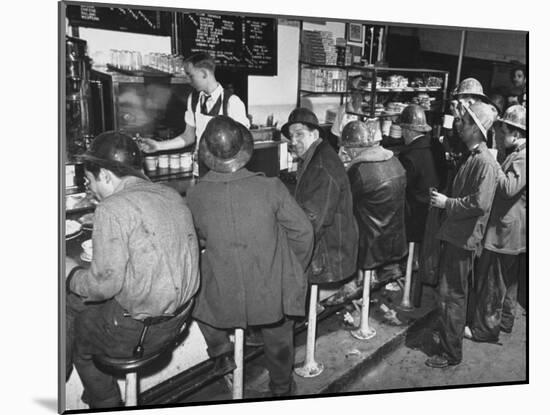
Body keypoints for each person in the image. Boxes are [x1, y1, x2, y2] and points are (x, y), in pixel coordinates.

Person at [65, 131, 200, 408]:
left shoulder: (112, 208)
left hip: (142, 332)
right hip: (180, 318)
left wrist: (70, 273)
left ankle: (102, 402)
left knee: (75, 324)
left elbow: (103, 287)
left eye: (90, 181)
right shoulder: (171, 194)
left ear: (104, 174)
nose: (91, 189)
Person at [186, 116, 314, 397]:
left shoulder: (195, 195)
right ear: (244, 148)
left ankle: (221, 351)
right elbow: (304, 233)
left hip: (223, 299)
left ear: (207, 152)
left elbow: (192, 243)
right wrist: (291, 269)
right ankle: (281, 388)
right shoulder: (271, 187)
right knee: (279, 334)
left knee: (196, 295)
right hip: (269, 295)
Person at [426, 102, 500, 368]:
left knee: (452, 296)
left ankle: (450, 353)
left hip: (463, 238)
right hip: (457, 234)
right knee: (452, 294)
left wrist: (447, 204)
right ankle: (450, 335)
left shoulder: (484, 163)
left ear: (477, 131)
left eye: (466, 123)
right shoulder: (472, 156)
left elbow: (480, 203)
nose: (461, 125)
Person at [281, 108, 358, 295]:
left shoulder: (321, 167)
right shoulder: (317, 156)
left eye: (299, 135)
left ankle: (307, 309)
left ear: (314, 134)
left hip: (330, 253)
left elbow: (312, 222)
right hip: (334, 241)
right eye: (291, 137)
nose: (294, 141)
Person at [468, 105, 526, 342]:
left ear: (518, 133)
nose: (502, 135)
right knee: (509, 282)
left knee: (494, 282)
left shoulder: (524, 156)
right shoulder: (518, 152)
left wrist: (493, 163)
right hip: (514, 231)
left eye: (505, 131)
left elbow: (509, 189)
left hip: (505, 231)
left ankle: (484, 330)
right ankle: (505, 321)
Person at [140, 52, 249, 175]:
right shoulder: (194, 99)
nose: (187, 80)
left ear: (204, 73)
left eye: (190, 75)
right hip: (200, 169)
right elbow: (188, 136)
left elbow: (242, 146)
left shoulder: (232, 102)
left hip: (224, 173)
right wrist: (158, 146)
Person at [339, 119, 408, 296]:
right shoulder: (394, 160)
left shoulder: (359, 170)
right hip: (395, 238)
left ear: (352, 149)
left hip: (371, 244)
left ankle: (347, 286)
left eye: (346, 149)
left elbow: (344, 204)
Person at [398, 104, 443, 245]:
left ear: (409, 131)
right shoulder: (437, 146)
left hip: (414, 216)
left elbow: (402, 189)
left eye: (403, 129)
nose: (402, 133)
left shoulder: (409, 156)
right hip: (434, 211)